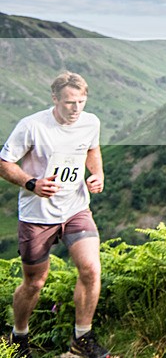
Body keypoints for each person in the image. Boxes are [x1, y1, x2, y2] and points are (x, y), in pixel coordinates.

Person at [0, 72, 110, 358]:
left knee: (91, 269)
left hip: (76, 208)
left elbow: (92, 149)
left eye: (81, 102)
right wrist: (32, 184)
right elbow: (4, 163)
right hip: (37, 215)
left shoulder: (90, 122)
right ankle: (19, 337)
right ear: (55, 99)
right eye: (69, 102)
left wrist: (97, 174)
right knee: (34, 282)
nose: (76, 109)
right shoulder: (32, 126)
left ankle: (82, 339)